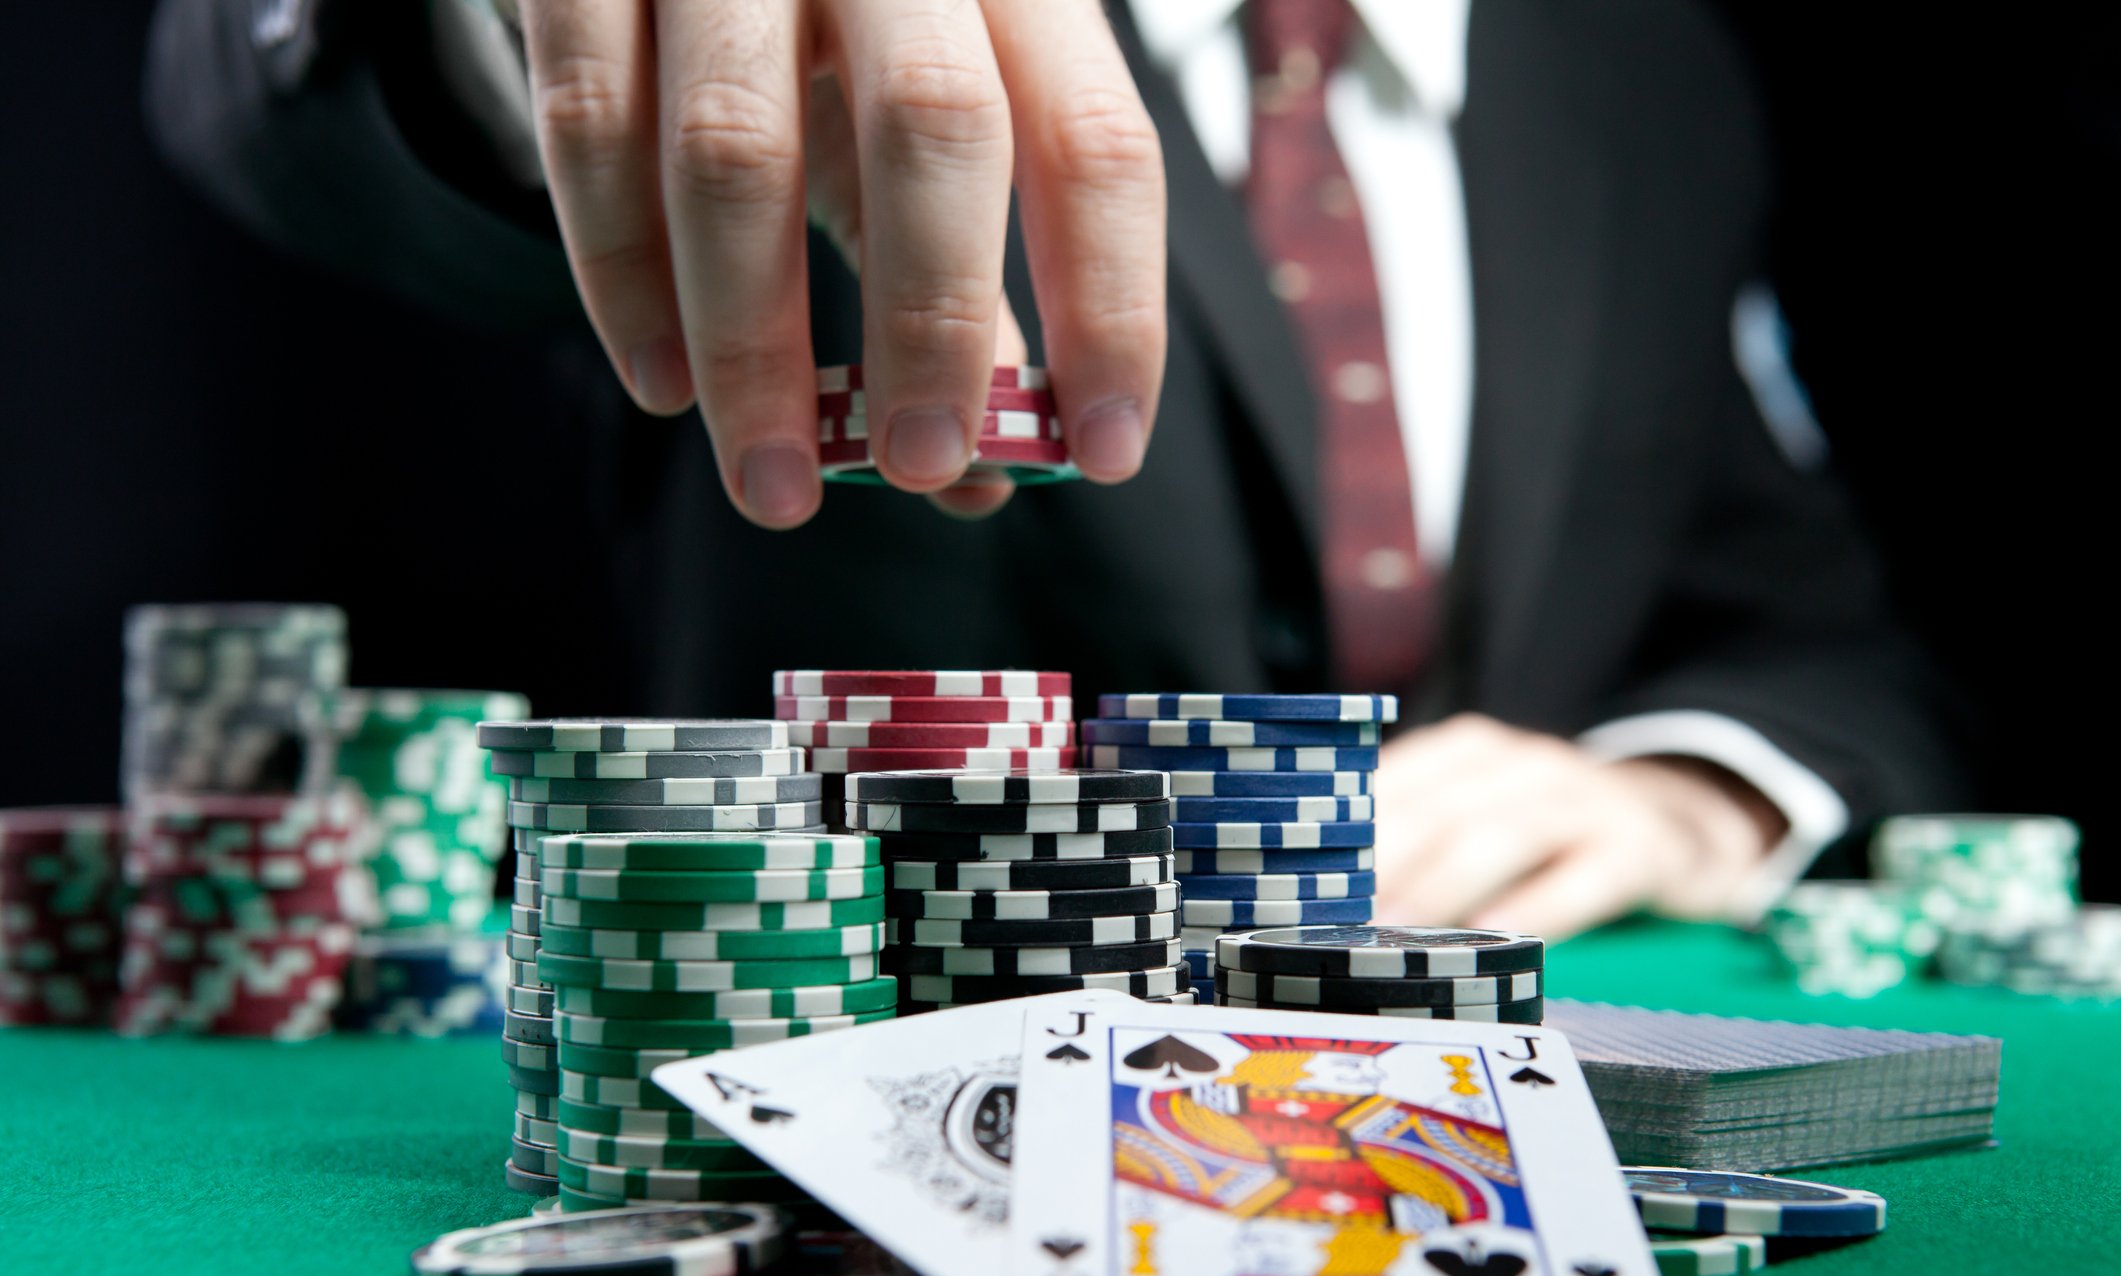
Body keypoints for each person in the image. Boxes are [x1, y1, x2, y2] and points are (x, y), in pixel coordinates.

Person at [144, 0, 1960, 938]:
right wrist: (517, 26)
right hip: (851, 1102)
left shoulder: (1647, 64)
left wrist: (1679, 791)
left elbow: (1809, 628)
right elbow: (261, 99)